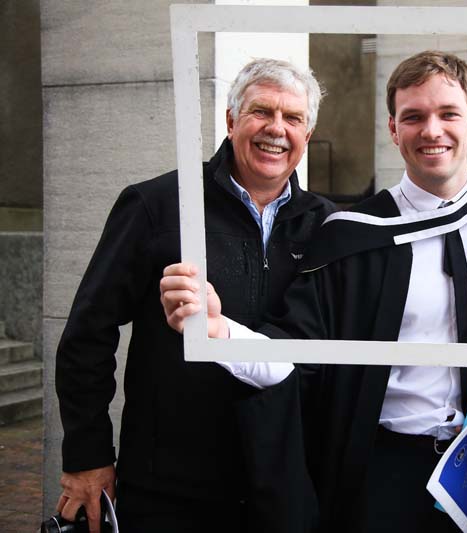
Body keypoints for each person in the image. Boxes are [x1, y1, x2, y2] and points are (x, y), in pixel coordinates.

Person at [161, 50, 467, 532]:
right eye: (413, 117)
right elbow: (296, 354)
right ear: (393, 129)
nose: (432, 131)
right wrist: (218, 330)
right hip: (386, 473)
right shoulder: (353, 234)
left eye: (448, 114)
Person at [55, 58, 337, 533]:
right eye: (261, 111)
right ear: (230, 120)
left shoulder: (327, 226)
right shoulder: (157, 205)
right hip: (169, 485)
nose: (276, 129)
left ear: (307, 136)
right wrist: (88, 455)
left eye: (293, 119)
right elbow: (88, 332)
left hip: (280, 482)